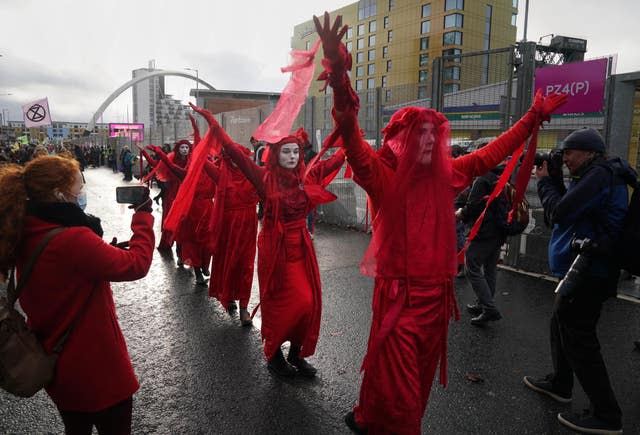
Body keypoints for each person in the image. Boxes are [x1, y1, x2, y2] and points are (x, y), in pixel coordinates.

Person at [313, 12, 567, 434]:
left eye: (436, 136)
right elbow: (352, 136)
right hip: (398, 299)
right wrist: (339, 76)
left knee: (413, 381)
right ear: (403, 142)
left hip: (435, 302)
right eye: (421, 136)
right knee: (403, 390)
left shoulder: (449, 176)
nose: (431, 142)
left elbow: (492, 153)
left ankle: (368, 416)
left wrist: (531, 119)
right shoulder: (382, 177)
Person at [0, 155, 154, 434]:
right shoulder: (74, 240)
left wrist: (101, 251)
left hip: (59, 368)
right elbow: (137, 264)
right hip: (98, 367)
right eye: (76, 188)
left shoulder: (28, 231)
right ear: (59, 194)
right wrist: (142, 218)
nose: (80, 193)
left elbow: (65, 270)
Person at [191, 104, 345, 377]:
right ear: (275, 154)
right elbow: (236, 155)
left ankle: (296, 354)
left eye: (295, 151)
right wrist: (212, 123)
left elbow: (335, 161)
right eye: (286, 151)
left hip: (302, 246)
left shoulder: (305, 177)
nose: (292, 155)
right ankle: (274, 355)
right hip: (276, 247)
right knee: (287, 301)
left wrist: (348, 140)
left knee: (309, 304)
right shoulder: (264, 178)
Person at [524, 128, 635, 434]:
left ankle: (607, 414)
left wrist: (546, 181)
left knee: (579, 338)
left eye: (569, 153)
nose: (566, 158)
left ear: (588, 152)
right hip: (585, 267)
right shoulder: (597, 174)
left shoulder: (599, 176)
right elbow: (570, 208)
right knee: (561, 321)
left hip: (593, 270)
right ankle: (560, 382)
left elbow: (559, 213)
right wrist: (556, 180)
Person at [201, 148, 259, 326]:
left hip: (248, 227)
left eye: (238, 156)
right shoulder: (220, 175)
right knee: (230, 263)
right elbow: (200, 159)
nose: (236, 160)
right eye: (232, 157)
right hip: (228, 228)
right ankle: (229, 296)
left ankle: (244, 307)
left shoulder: (252, 175)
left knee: (246, 266)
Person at [456, 157, 507, 326]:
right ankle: (483, 303)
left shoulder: (482, 179)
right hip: (499, 231)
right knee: (490, 269)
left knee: (472, 267)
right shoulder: (501, 176)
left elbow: (474, 207)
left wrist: (461, 212)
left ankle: (488, 307)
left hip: (484, 232)